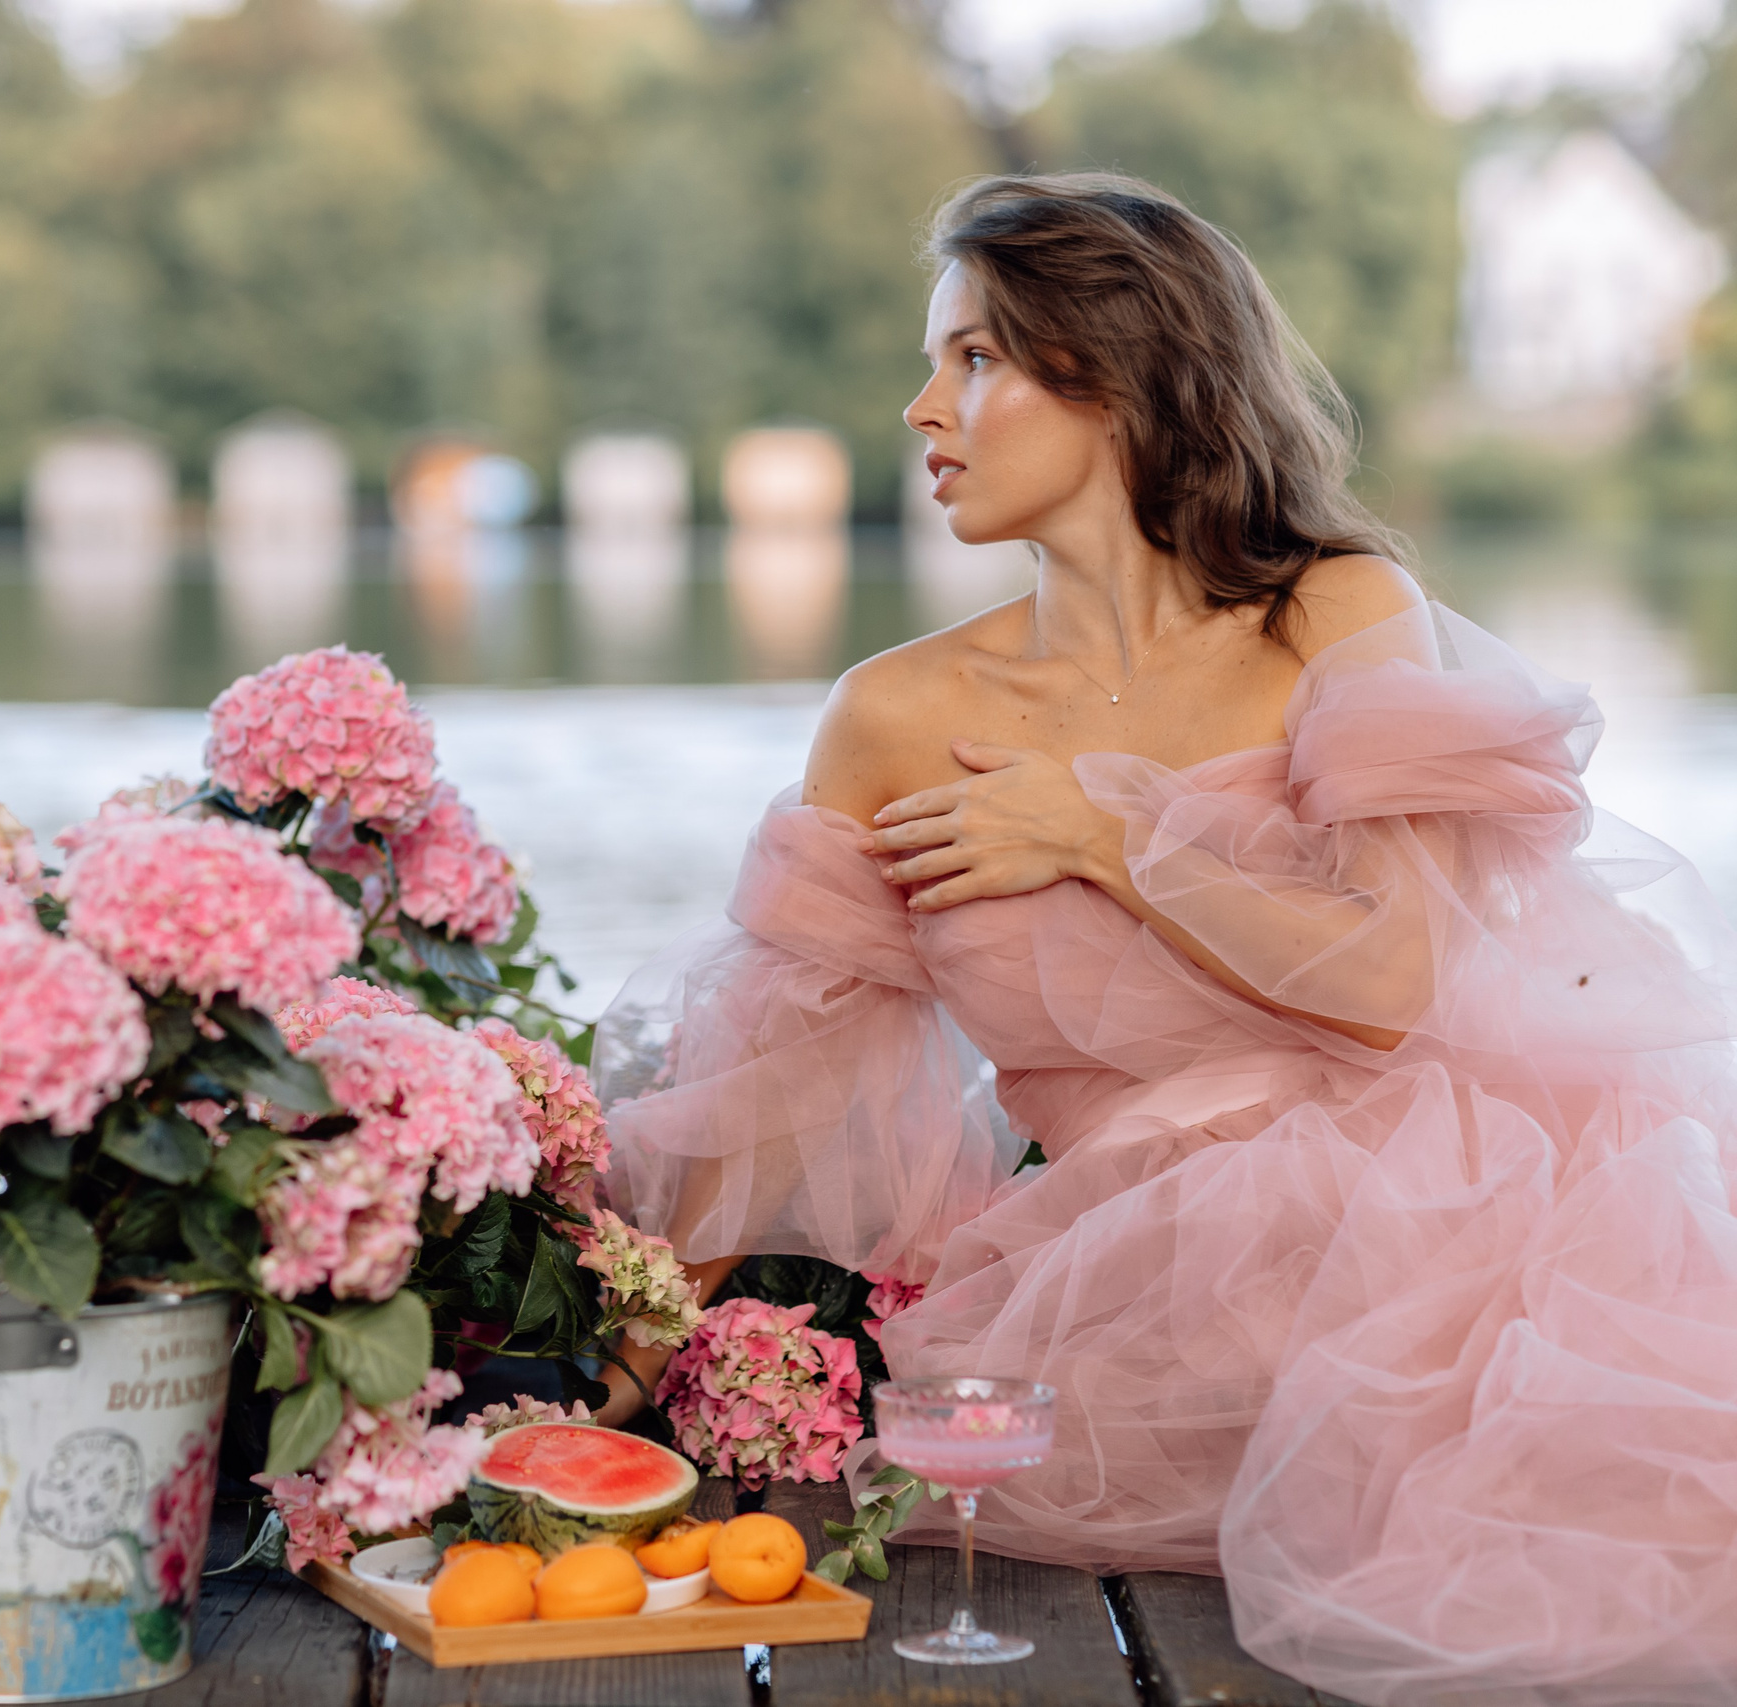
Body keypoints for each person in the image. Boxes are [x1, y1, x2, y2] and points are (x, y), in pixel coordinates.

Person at [592, 173, 1737, 1706]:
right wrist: (599, 1374)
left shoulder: (1332, 615)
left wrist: (1108, 837)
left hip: (1447, 1214)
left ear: (1121, 378)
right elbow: (784, 1083)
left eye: (976, 359)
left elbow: (1398, 990)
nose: (923, 406)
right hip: (1130, 1298)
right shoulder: (896, 716)